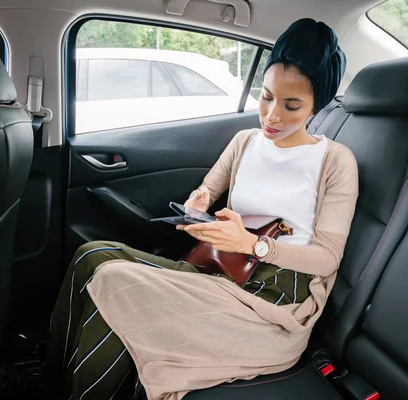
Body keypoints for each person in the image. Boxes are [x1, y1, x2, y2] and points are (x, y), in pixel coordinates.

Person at [46, 18, 358, 400]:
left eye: (292, 106)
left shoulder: (334, 160)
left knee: (116, 282)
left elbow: (327, 259)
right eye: (266, 97)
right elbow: (209, 188)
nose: (272, 116)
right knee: (89, 255)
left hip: (272, 301)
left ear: (316, 105)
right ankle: (52, 379)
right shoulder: (246, 141)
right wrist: (199, 204)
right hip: (220, 270)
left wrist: (253, 244)